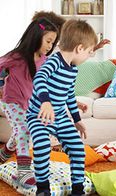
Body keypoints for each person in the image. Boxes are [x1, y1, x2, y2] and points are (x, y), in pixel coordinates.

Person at [26, 19, 97, 196]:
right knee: (42, 146)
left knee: (78, 149)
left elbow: (69, 96)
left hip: (59, 117)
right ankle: (43, 189)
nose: (89, 56)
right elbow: (39, 79)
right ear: (79, 48)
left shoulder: (73, 70)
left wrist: (77, 120)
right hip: (38, 116)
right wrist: (46, 102)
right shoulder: (54, 62)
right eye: (88, 52)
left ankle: (78, 189)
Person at [0, 18, 59, 188]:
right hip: (12, 102)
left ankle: (4, 154)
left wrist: (74, 101)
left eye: (53, 42)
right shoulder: (17, 56)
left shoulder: (45, 61)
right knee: (24, 129)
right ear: (36, 36)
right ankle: (24, 171)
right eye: (48, 41)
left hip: (29, 104)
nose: (50, 46)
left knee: (21, 130)